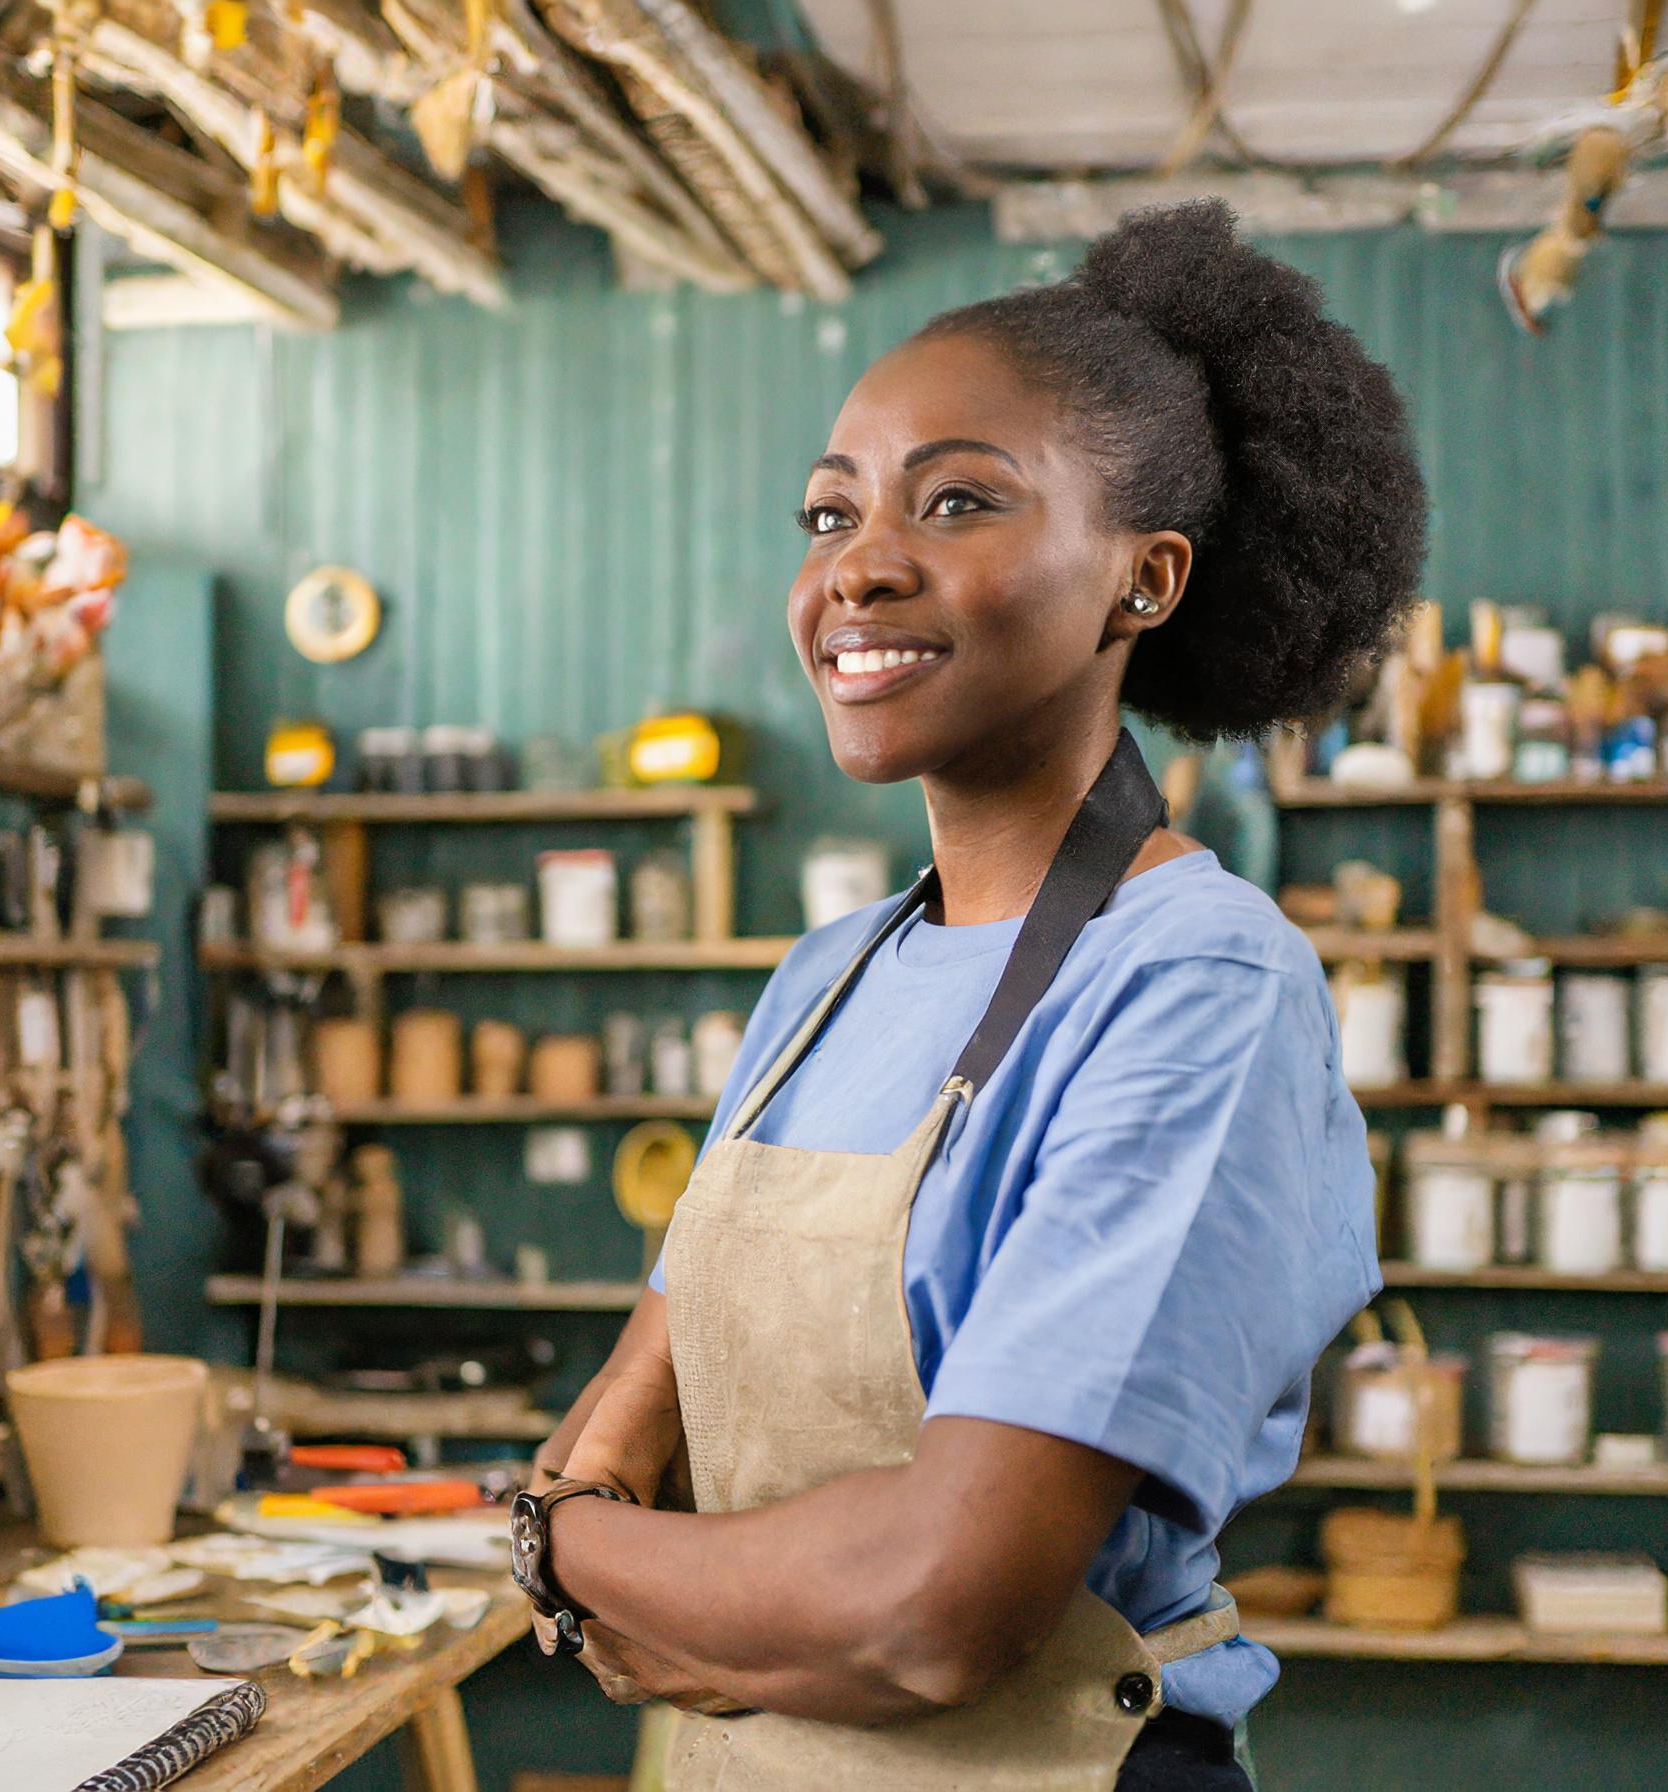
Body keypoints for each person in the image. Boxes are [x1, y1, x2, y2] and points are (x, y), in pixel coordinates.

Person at [505, 201, 1428, 1791]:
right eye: (827, 514)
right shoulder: (823, 982)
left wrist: (563, 1558)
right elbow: (619, 1428)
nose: (860, 567)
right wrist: (619, 1538)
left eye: (956, 503)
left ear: (1142, 583)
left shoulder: (1192, 982)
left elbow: (940, 1604)